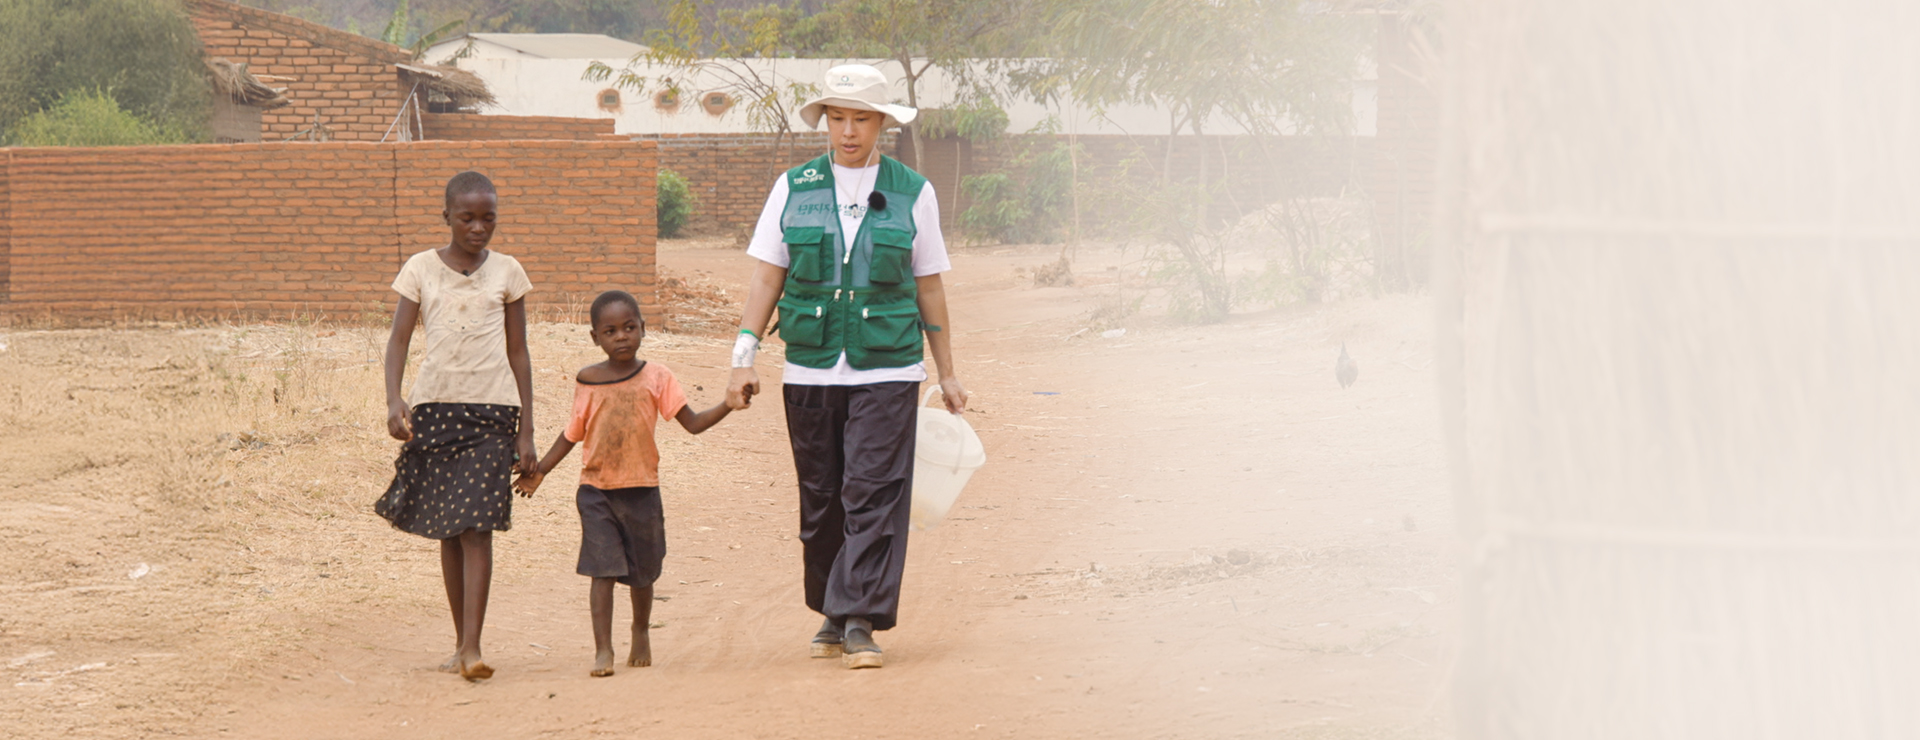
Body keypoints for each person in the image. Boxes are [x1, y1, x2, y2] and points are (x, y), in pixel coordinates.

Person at [726, 64, 969, 670]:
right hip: (809, 367)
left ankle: (860, 619)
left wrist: (947, 371)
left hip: (888, 367)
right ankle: (832, 611)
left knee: (874, 493)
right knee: (822, 502)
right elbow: (766, 276)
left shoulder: (914, 191)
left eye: (861, 118)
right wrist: (742, 357)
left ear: (882, 124)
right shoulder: (793, 187)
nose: (849, 130)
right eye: (838, 117)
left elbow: (930, 287)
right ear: (826, 121)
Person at [512, 290, 735, 677]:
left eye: (630, 328)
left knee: (642, 573)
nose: (621, 337)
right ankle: (603, 650)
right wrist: (541, 471)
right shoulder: (588, 380)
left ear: (644, 330)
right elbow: (571, 434)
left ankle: (641, 629)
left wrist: (730, 403)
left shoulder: (657, 377)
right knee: (603, 571)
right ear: (594, 337)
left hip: (642, 490)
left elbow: (694, 423)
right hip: (596, 491)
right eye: (610, 330)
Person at [374, 170, 538, 682]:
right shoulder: (421, 268)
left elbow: (519, 352)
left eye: (488, 218)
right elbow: (399, 339)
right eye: (466, 217)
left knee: (477, 528)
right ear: (446, 216)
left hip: (492, 413)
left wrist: (527, 430)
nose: (478, 227)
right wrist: (394, 398)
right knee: (450, 527)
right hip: (436, 410)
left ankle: (473, 648)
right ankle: (458, 643)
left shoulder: (509, 272)